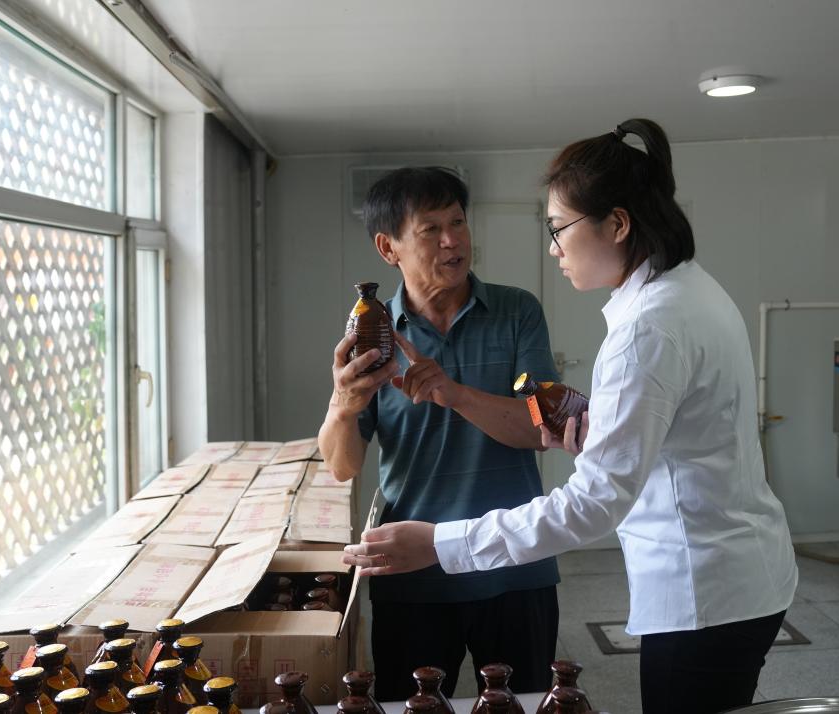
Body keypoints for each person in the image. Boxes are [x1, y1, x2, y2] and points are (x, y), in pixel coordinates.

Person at [342, 120, 798, 714]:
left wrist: (439, 543)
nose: (554, 248)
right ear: (390, 248)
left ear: (618, 223)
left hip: (703, 587)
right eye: (432, 228)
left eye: (558, 228)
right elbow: (673, 435)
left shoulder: (645, 329)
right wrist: (600, 435)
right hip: (733, 572)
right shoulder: (688, 289)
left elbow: (592, 505)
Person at [318, 167, 561, 701]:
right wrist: (343, 405)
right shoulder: (374, 332)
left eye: (458, 222)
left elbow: (544, 428)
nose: (453, 240)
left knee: (525, 705)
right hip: (413, 574)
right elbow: (341, 465)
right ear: (389, 248)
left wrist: (453, 393)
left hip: (514, 562)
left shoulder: (517, 312)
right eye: (431, 229)